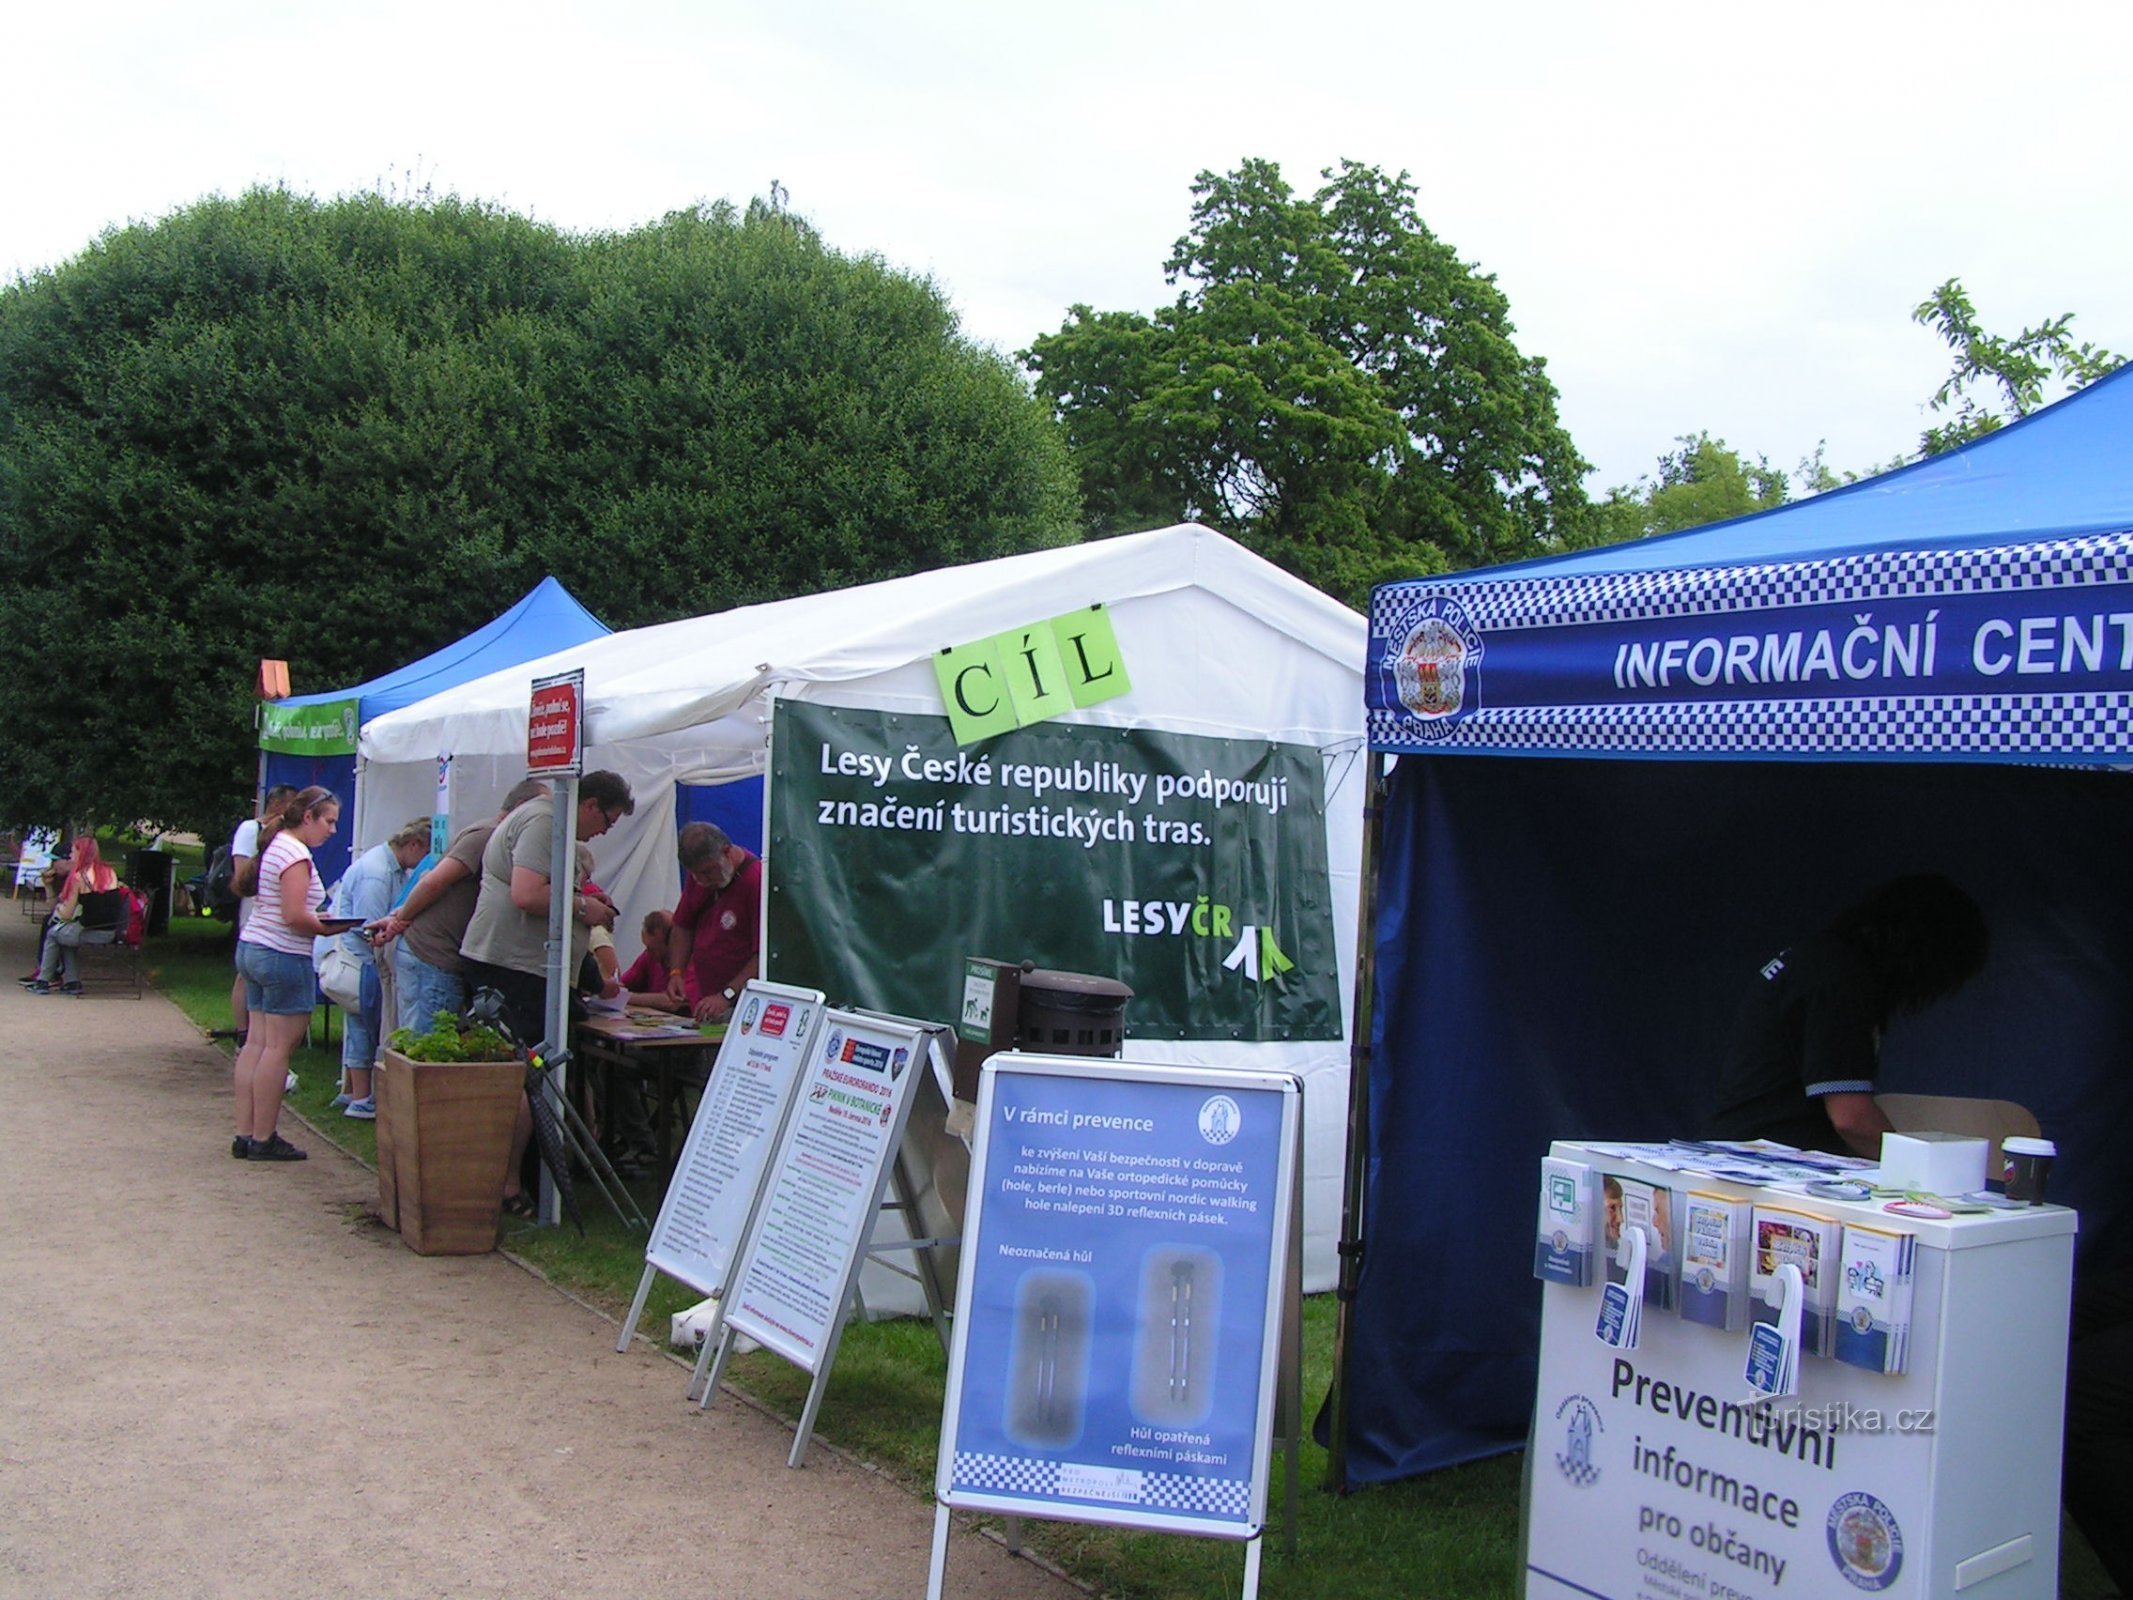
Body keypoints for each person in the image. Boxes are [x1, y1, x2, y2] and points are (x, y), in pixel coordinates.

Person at [1703, 874, 1989, 1157]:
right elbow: (1851, 1118)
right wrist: (1917, 1171)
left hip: (1741, 1150)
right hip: (1771, 1162)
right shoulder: (1841, 981)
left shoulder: (1816, 961)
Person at [458, 772, 631, 1215]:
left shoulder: (550, 824)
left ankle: (510, 1179)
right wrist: (583, 907)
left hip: (524, 968)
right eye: (606, 821)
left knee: (524, 1074)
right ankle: (509, 1185)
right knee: (524, 1077)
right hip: (515, 969)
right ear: (590, 804)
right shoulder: (543, 820)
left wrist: (587, 900)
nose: (604, 831)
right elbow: (527, 893)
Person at [371, 779, 550, 1034]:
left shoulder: (490, 833)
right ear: (521, 807)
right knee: (427, 1052)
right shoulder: (488, 835)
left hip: (431, 952)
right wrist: (401, 920)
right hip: (434, 955)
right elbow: (434, 882)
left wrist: (399, 917)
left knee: (416, 1046)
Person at [230, 787, 343, 1162]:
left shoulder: (276, 844)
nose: (332, 831)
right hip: (281, 955)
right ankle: (264, 1136)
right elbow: (295, 917)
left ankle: (245, 1133)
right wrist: (330, 927)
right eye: (328, 821)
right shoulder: (297, 855)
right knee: (277, 1049)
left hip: (254, 947)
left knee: (256, 1044)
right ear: (308, 817)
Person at [321, 818, 431, 1120]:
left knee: (359, 1024)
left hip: (355, 957)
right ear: (414, 845)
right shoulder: (378, 874)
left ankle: (353, 1093)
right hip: (359, 959)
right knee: (363, 1025)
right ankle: (361, 1098)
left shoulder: (381, 863)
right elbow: (367, 925)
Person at [664, 822, 761, 1024]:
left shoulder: (756, 881)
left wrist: (726, 994)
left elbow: (763, 955)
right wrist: (676, 973)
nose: (701, 880)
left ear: (726, 853)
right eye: (694, 874)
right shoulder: (700, 879)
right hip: (707, 1000)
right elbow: (682, 926)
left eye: (707, 872)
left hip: (742, 1005)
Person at [225, 786, 297, 1045]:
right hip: (255, 913)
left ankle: (255, 1033)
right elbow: (242, 876)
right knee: (245, 976)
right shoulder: (249, 830)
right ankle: (243, 1031)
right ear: (280, 807)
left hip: (268, 914)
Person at [22, 836, 122, 995]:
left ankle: (44, 980)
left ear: (81, 853)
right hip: (110, 931)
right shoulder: (109, 872)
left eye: (74, 852)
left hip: (89, 930)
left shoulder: (79, 877)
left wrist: (60, 909)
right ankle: (72, 982)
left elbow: (67, 914)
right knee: (66, 934)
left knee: (54, 934)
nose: (71, 856)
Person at [616, 910, 682, 1011]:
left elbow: (673, 1001)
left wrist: (625, 997)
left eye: (655, 949)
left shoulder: (689, 961)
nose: (649, 953)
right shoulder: (649, 956)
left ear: (672, 942)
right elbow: (624, 985)